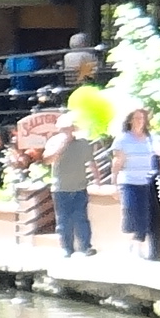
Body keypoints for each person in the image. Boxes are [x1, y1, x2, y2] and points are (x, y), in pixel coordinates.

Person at [49, 107, 103, 256]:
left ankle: (86, 247)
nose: (67, 131)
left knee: (81, 218)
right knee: (63, 221)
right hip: (61, 189)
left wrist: (97, 179)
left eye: (69, 128)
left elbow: (91, 162)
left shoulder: (82, 143)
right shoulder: (53, 142)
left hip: (79, 187)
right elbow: (47, 159)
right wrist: (62, 146)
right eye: (64, 129)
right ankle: (66, 249)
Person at [113, 106, 160, 259]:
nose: (140, 121)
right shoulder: (123, 139)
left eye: (142, 118)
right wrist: (114, 184)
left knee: (145, 214)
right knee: (131, 210)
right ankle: (132, 241)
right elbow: (117, 162)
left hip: (148, 182)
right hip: (129, 181)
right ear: (129, 120)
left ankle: (138, 245)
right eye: (136, 118)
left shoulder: (151, 138)